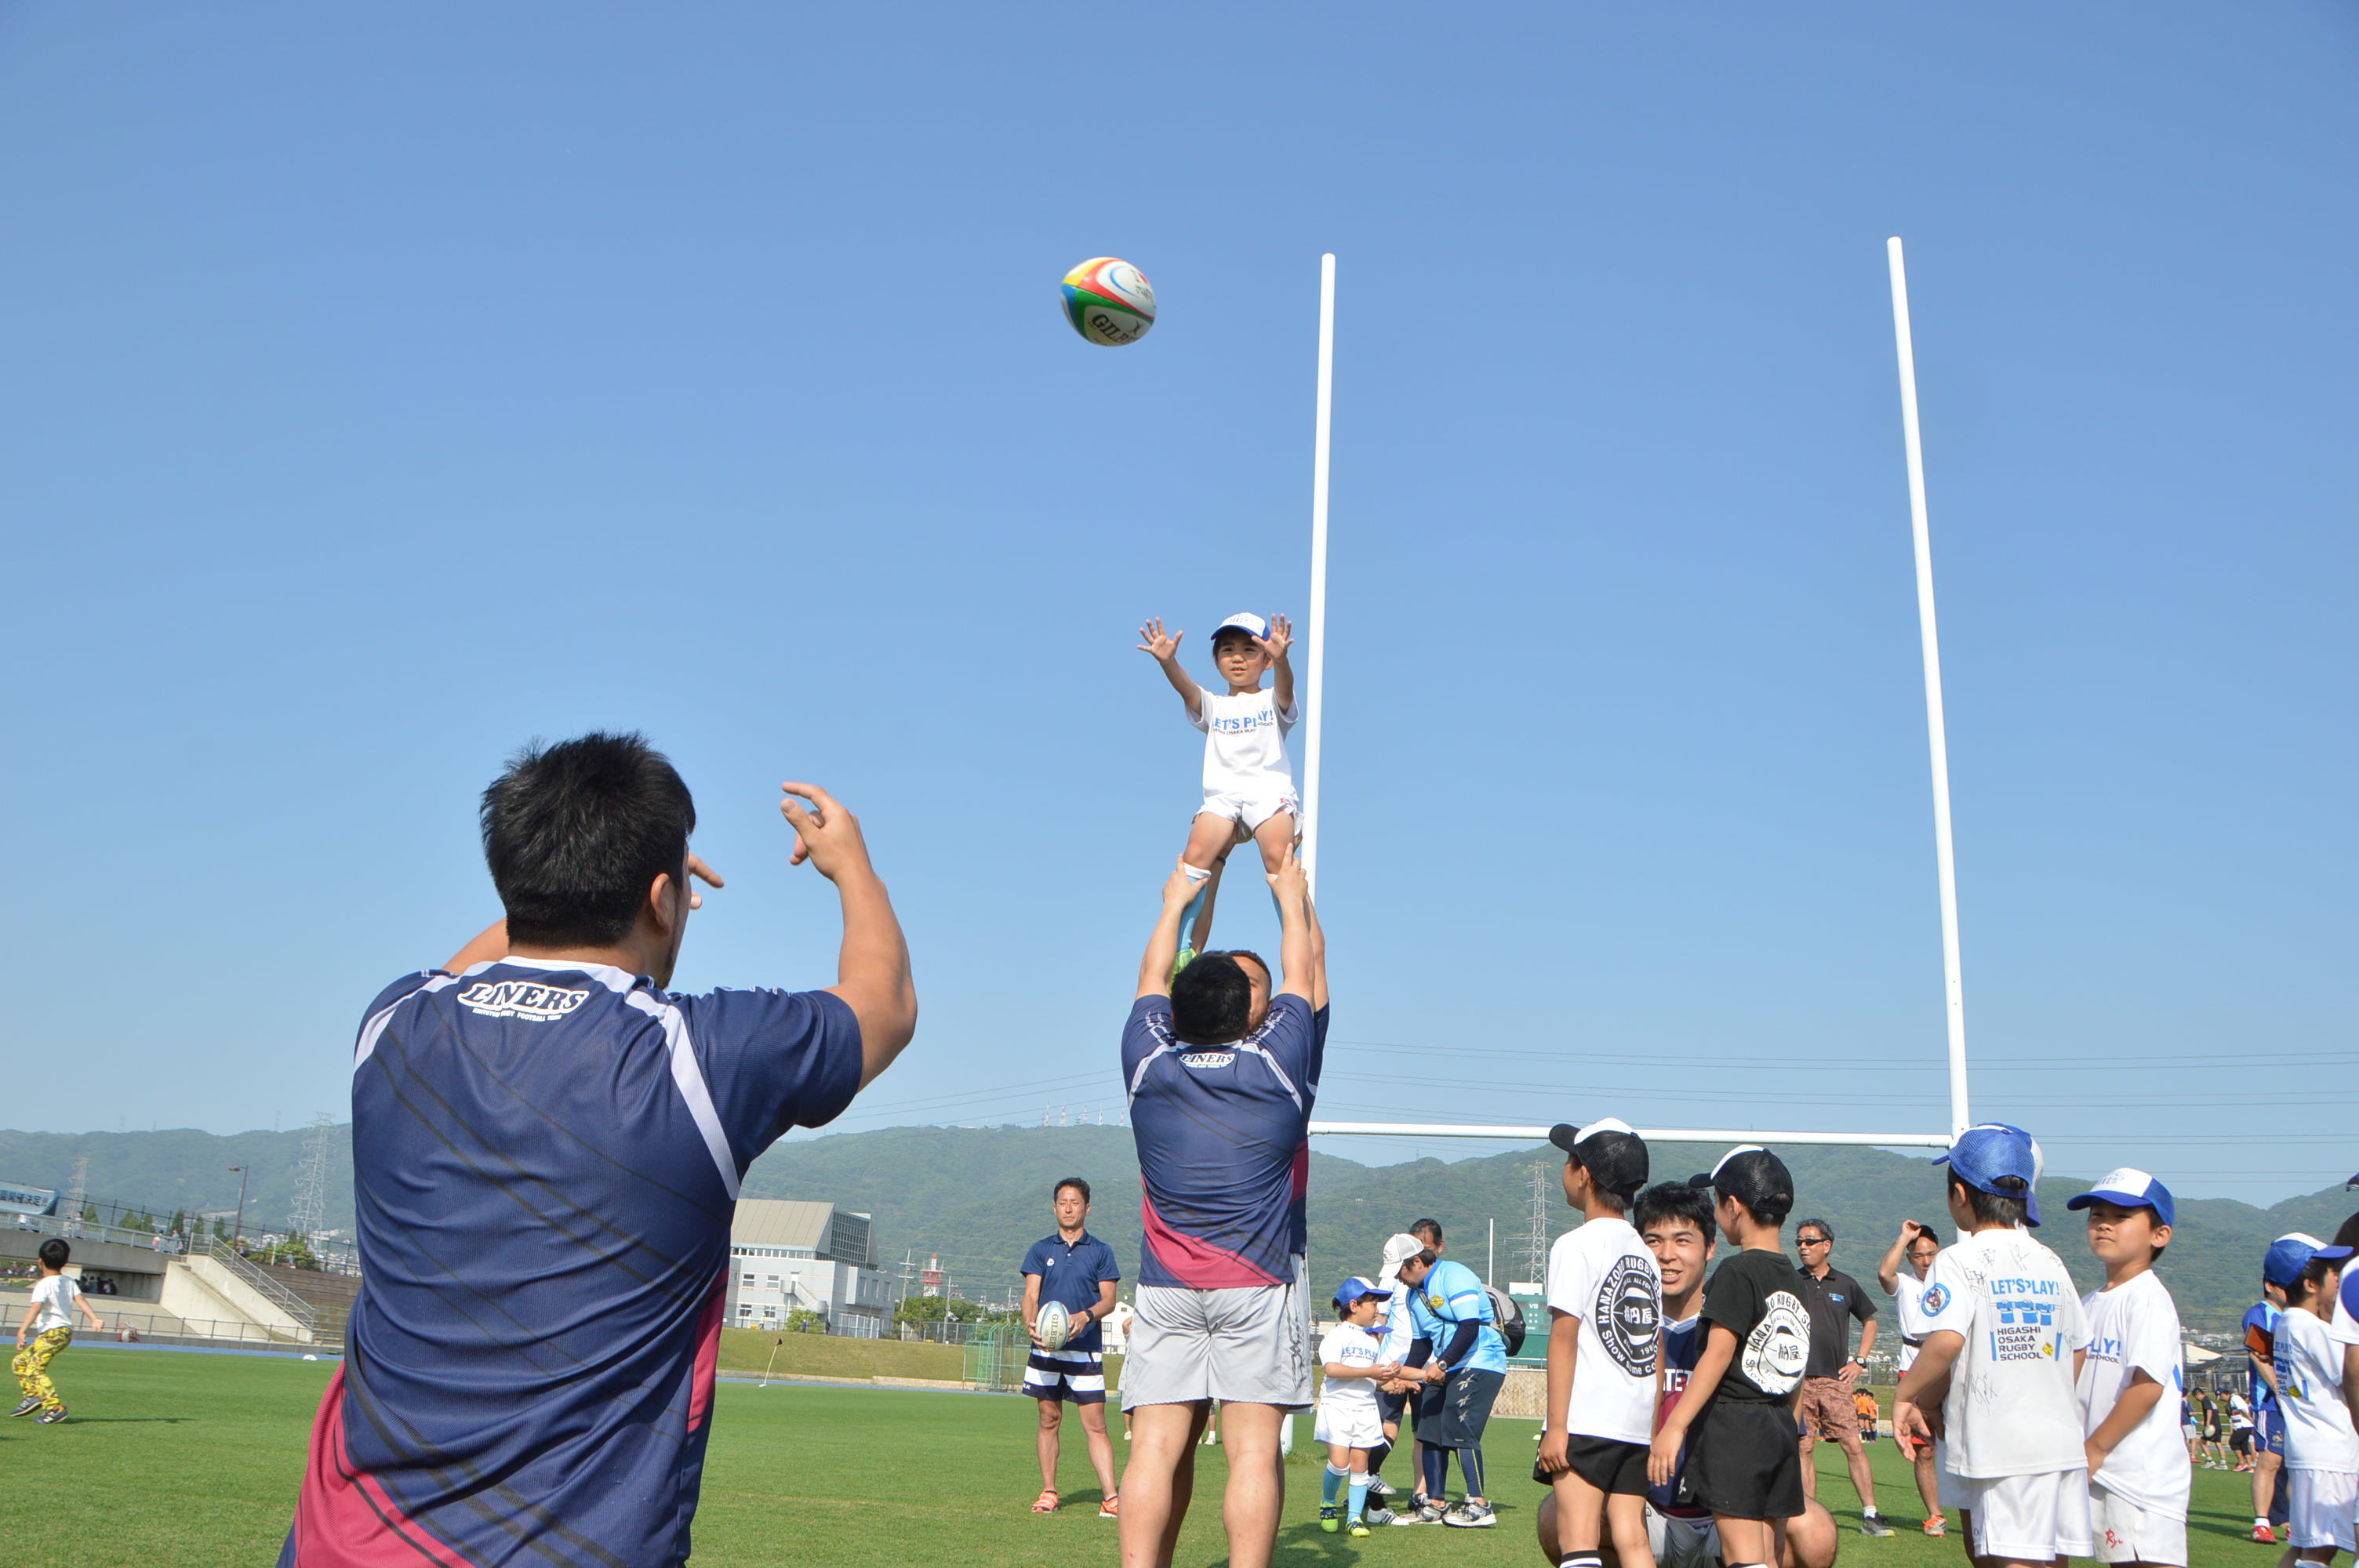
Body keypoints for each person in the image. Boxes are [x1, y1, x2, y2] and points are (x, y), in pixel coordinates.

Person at [277, 735, 917, 1568]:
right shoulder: (702, 1057)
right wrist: (852, 865)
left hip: (341, 1543)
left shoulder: (394, 1023)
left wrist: (588, 874)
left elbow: (491, 948)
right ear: (664, 897)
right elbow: (885, 1003)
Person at [1117, 847, 1326, 1568]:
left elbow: (1151, 975)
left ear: (1175, 1008)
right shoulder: (1276, 1070)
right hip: (1255, 1289)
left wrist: (1178, 896)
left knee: (1154, 1448)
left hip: (1166, 1290)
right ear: (1250, 1011)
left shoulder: (1147, 1066)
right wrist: (1289, 892)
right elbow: (1302, 973)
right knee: (1252, 1454)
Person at [1538, 1179, 1838, 1568]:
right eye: (1653, 1241)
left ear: (1711, 1247)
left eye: (1682, 1241)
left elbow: (1782, 1422)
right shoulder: (1619, 1329)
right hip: (1648, 1514)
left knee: (1815, 1530)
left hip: (1723, 1513)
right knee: (1554, 1517)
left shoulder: (1738, 1322)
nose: (1666, 1256)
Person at [1895, 1122, 2092, 1568]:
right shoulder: (2051, 1260)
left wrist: (1907, 1397)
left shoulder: (1957, 1259)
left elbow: (1946, 1341)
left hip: (1998, 1444)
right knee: (2051, 1556)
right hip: (2057, 1441)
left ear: (1959, 1195)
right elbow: (2077, 1347)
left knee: (2005, 1557)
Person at [1650, 1145, 1811, 1568]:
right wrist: (1789, 1433)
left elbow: (1718, 1355)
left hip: (1736, 1431)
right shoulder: (1793, 1278)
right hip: (1778, 1427)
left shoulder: (1736, 1273)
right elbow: (1796, 1371)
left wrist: (1675, 1427)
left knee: (1743, 1558)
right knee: (1769, 1555)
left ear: (1733, 1207)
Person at [1134, 612, 1298, 969]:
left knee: (1277, 858)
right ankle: (1183, 953)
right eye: (1228, 650)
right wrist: (1169, 662)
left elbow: (1286, 691)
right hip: (1223, 797)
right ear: (1217, 661)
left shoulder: (1272, 700)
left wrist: (1284, 662)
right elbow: (1187, 690)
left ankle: (1296, 941)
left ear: (1267, 660)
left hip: (1268, 794)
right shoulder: (1215, 705)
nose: (1237, 658)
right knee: (1196, 855)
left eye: (1249, 650)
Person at [1534, 1118, 1663, 1568]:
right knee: (1632, 1537)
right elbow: (1650, 1345)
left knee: (1579, 1537)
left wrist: (1556, 1427)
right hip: (1634, 1420)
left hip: (1586, 1418)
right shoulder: (1645, 1252)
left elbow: (1564, 1338)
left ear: (1584, 1174)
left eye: (1568, 1162)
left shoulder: (1575, 1244)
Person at [2069, 1167, 2190, 1568]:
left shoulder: (2149, 1299)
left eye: (2121, 1216)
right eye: (2096, 1214)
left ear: (2160, 1235)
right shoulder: (2088, 1302)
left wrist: (2095, 1448)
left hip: (2140, 1476)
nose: (2104, 1224)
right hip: (2103, 1468)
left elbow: (2147, 1387)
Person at [1022, 1177, 1124, 1517]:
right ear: (1054, 1208)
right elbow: (1031, 1295)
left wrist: (1086, 1316)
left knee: (1096, 1424)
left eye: (1075, 1202)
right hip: (1046, 1350)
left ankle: (1111, 1497)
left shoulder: (1101, 1251)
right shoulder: (1040, 1249)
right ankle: (1049, 1492)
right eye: (1063, 1202)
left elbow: (1109, 1299)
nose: (1068, 1208)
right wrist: (1030, 1322)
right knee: (1049, 1418)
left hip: (1085, 1349)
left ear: (1087, 1208)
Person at [1396, 1228, 1511, 1526]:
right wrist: (1407, 1378)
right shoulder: (1413, 1296)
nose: (1398, 1278)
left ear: (1418, 1262)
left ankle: (1479, 1504)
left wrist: (1444, 1363)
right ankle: (1435, 1503)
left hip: (1481, 1359)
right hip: (1446, 1365)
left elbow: (1470, 1326)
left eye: (1401, 1270)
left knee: (1459, 1424)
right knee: (1429, 1426)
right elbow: (1422, 1345)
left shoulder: (1454, 1275)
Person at [2264, 1232, 2358, 1568]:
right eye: (2332, 1272)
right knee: (2321, 1551)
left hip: (2307, 1448)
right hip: (2331, 1451)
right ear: (2310, 1284)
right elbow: (2349, 1373)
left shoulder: (2288, 1323)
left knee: (2304, 1547)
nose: (2339, 1278)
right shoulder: (2313, 1329)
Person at [1791, 1218, 1889, 1535]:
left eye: (1809, 1242)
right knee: (1804, 1448)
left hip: (1835, 1381)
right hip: (1799, 1382)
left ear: (1826, 1245)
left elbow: (1870, 1322)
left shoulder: (1845, 1284)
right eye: (1799, 1242)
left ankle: (1871, 1515)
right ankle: (1808, 1515)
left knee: (1852, 1445)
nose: (1803, 1248)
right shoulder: (1791, 1282)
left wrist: (1859, 1361)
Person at [1877, 1218, 1949, 1537]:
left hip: (1949, 1368)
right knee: (1926, 1448)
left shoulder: (1952, 1283)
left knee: (1960, 1441)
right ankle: (1935, 1515)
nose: (1926, 1261)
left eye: (1931, 1254)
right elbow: (1884, 1274)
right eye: (1919, 1255)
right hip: (1914, 1371)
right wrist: (1905, 1235)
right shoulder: (1906, 1285)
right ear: (1910, 1259)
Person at [1317, 1277, 1402, 1537]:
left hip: (1365, 1408)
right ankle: (1328, 1504)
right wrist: (1370, 1371)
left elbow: (1371, 1381)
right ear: (1354, 1305)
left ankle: (1354, 1518)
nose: (1377, 1309)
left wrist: (1388, 1381)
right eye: (1373, 1303)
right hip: (1338, 1407)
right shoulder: (1336, 1336)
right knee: (1340, 1464)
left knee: (1360, 1465)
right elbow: (1332, 1369)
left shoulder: (1371, 1340)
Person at [10, 1239, 104, 1423]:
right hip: (61, 1333)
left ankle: (54, 1408)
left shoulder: (44, 1284)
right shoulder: (68, 1281)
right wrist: (94, 1318)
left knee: (36, 1370)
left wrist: (22, 1331)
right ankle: (32, 1396)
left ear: (40, 1261)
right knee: (20, 1362)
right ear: (66, 1262)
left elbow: (35, 1308)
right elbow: (81, 1300)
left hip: (53, 1334)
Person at [2251, 1277, 2296, 1542]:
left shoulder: (2294, 1317)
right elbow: (2257, 1355)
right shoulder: (2260, 1314)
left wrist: (2295, 1395)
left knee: (2294, 1464)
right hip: (2269, 1402)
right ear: (2270, 1285)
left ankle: (2294, 1521)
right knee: (2270, 1461)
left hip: (2295, 1401)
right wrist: (2278, 1389)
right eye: (2284, 1285)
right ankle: (2261, 1522)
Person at [2234, 1388, 2259, 1471]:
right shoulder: (2248, 1406)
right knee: (2246, 1446)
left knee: (2250, 1446)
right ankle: (2250, 1465)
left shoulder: (2249, 1407)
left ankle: (2250, 1462)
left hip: (2248, 1427)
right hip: (2250, 1427)